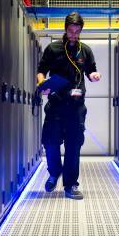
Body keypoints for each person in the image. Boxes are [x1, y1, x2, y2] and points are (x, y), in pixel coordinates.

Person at [36, 12, 101, 199]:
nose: (74, 34)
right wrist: (42, 85)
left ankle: (70, 185)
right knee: (50, 143)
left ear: (81, 31)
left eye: (77, 31)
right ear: (65, 29)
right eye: (71, 31)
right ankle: (54, 172)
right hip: (56, 104)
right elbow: (41, 71)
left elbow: (91, 71)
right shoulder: (53, 49)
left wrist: (94, 76)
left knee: (73, 146)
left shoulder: (85, 50)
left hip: (76, 107)